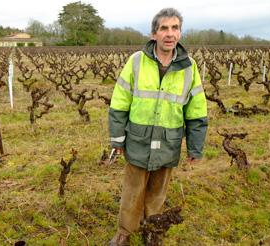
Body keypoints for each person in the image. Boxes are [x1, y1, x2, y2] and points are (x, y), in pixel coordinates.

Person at [108, 7, 208, 245]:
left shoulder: (189, 67)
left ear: (180, 33)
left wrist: (195, 147)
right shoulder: (136, 62)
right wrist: (117, 139)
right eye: (164, 28)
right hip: (138, 140)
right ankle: (124, 232)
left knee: (157, 194)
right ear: (154, 33)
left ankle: (152, 229)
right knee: (133, 192)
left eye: (175, 28)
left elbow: (196, 110)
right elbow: (119, 102)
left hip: (169, 142)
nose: (169, 33)